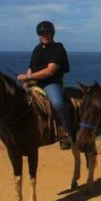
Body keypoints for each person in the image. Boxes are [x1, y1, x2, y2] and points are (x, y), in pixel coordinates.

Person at [17, 21, 72, 150]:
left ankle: (66, 133)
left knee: (57, 103)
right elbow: (31, 68)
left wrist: (29, 77)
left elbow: (50, 71)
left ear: (52, 34)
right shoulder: (37, 49)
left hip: (51, 83)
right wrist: (25, 80)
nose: (44, 36)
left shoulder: (58, 49)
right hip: (35, 82)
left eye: (47, 33)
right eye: (42, 34)